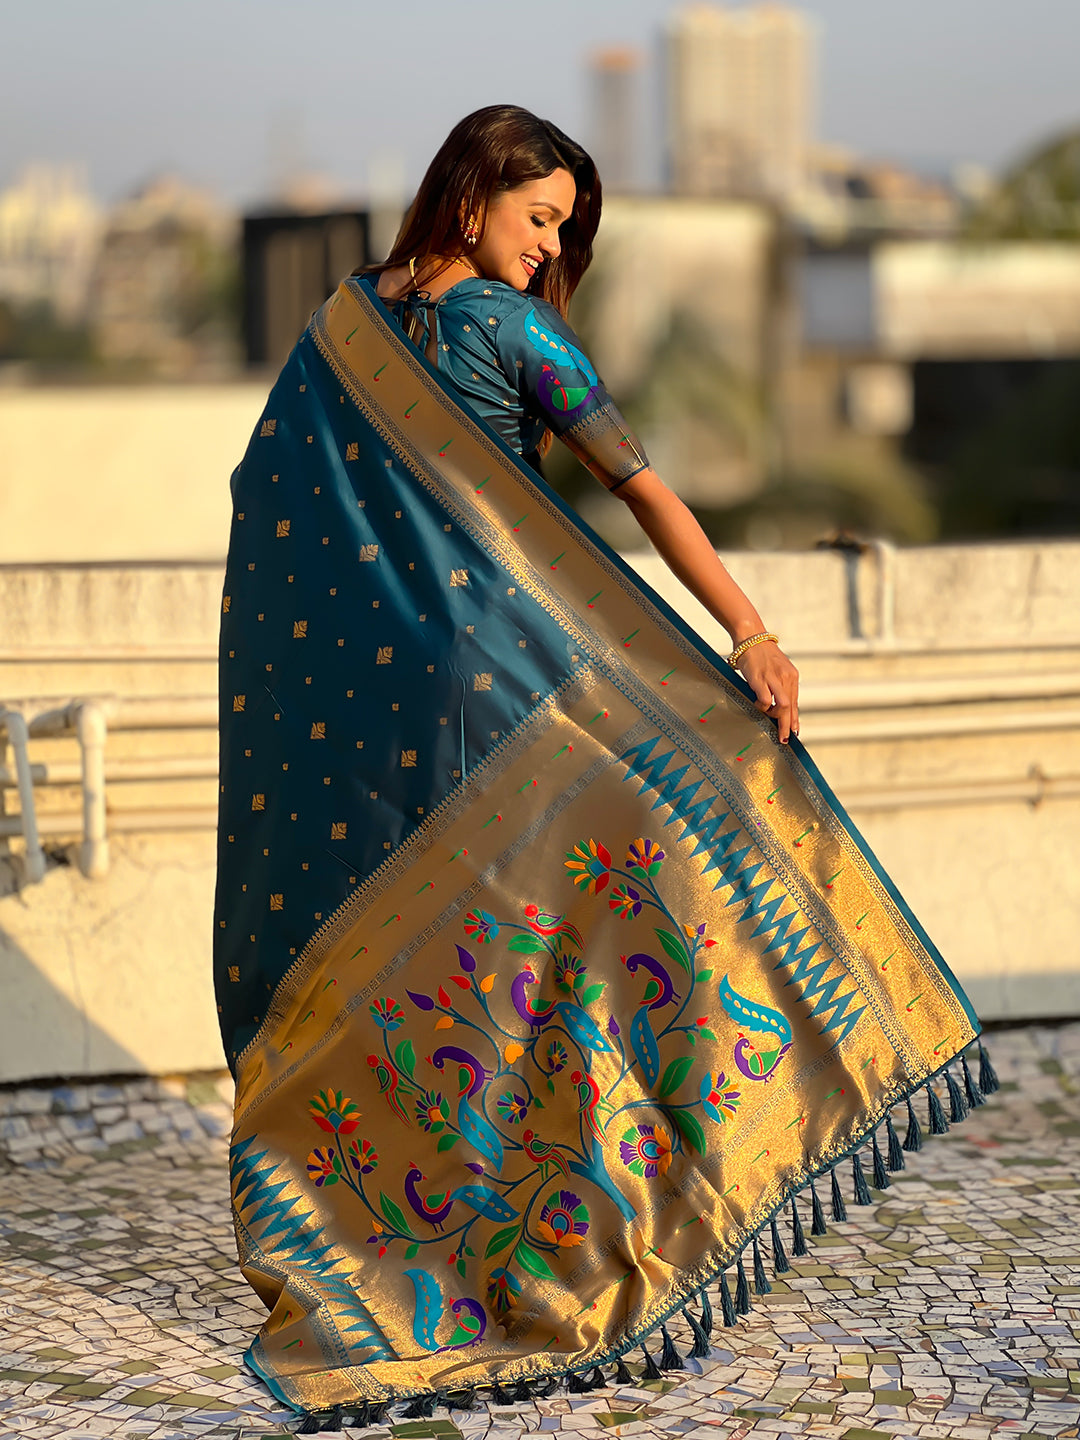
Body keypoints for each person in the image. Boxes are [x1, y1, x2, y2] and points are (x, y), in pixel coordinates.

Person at [216, 105, 987, 1429]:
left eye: (563, 230)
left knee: (452, 964)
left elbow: (265, 499)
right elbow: (644, 490)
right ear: (470, 198)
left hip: (379, 713)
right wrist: (749, 632)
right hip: (509, 694)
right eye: (539, 219)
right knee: (576, 923)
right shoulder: (512, 334)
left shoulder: (343, 325)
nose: (547, 250)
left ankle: (413, 1245)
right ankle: (568, 1227)